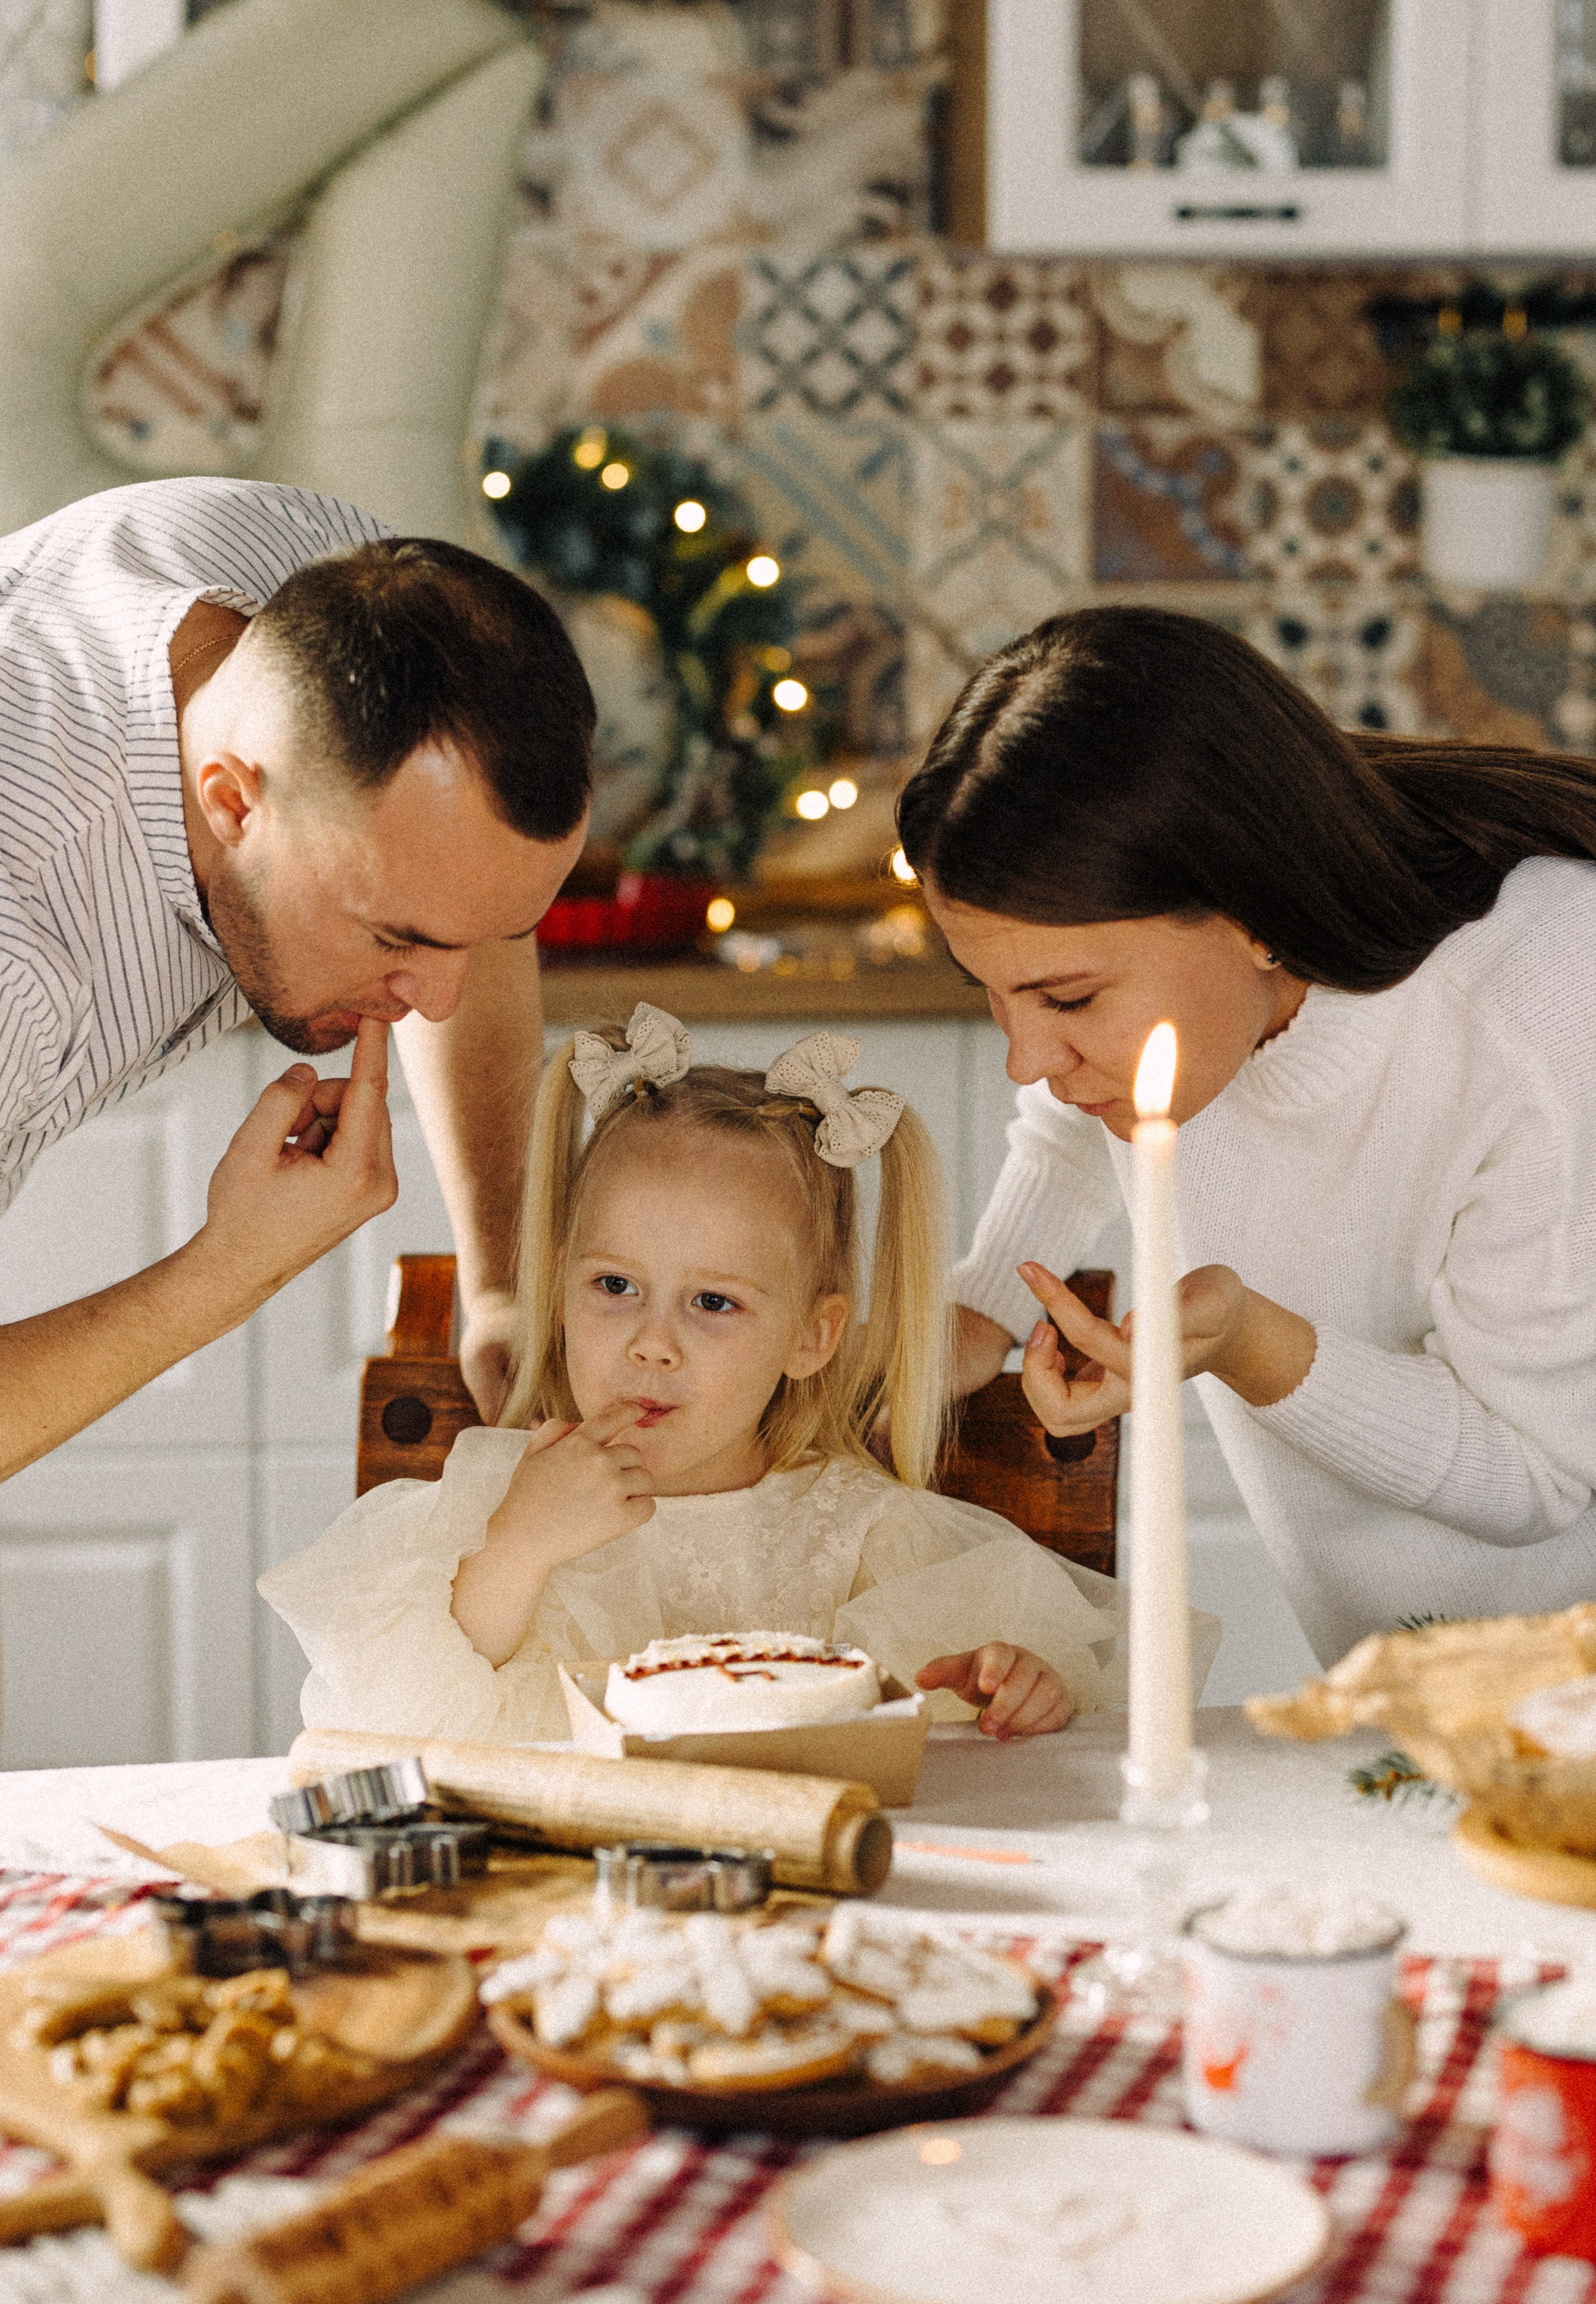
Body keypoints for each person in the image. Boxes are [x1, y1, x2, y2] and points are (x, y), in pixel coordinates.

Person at [896, 604, 1596, 1668]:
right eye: (994, 996)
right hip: (1400, 1700)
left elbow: (1543, 1479)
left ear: (1250, 912)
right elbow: (1064, 1113)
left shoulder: (1542, 1012)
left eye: (1069, 1000)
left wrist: (1246, 1342)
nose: (1024, 1058)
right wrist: (984, 1299)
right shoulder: (1174, 1012)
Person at [261, 1005, 1212, 1741]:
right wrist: (514, 1550)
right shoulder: (496, 1504)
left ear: (813, 1337)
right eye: (615, 1286)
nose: (651, 1343)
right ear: (556, 1289)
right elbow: (394, 1734)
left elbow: (956, 1738)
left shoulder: (863, 1536)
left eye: (713, 1304)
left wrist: (1010, 1694)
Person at [0, 476, 594, 1483]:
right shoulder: (26, 948)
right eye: (396, 938)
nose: (438, 1003)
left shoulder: (322, 589)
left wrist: (504, 1278)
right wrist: (228, 1270)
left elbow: (459, 890)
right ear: (234, 801)